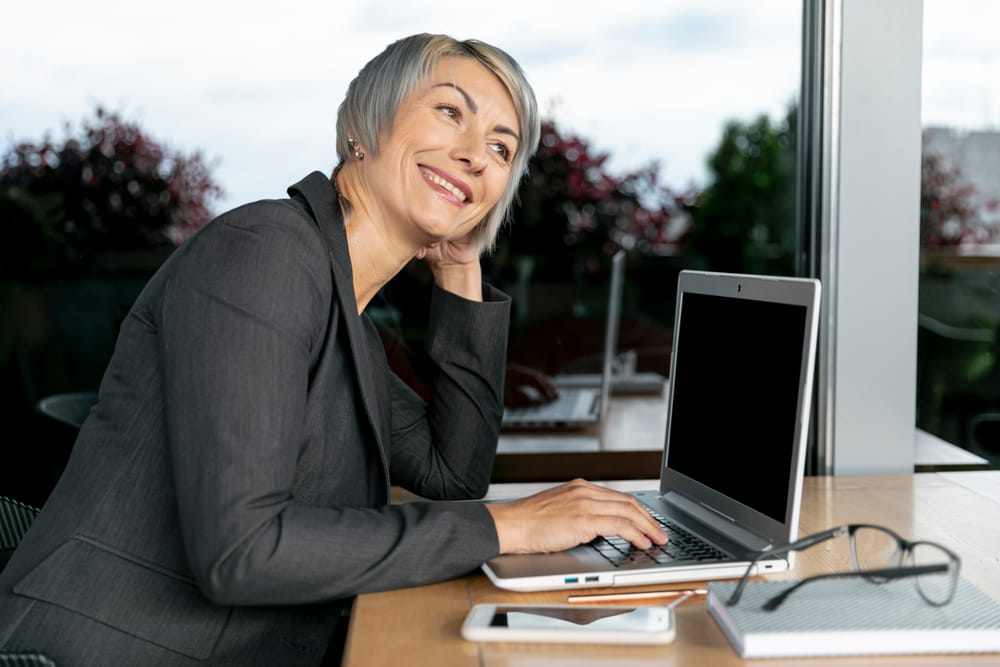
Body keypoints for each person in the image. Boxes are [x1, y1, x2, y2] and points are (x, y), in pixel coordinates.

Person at [0, 33, 667, 666]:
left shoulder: (341, 309)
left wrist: (460, 265)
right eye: (449, 112)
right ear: (363, 127)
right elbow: (242, 552)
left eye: (501, 148)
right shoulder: (263, 254)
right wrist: (508, 528)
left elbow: (451, 474)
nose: (475, 155)